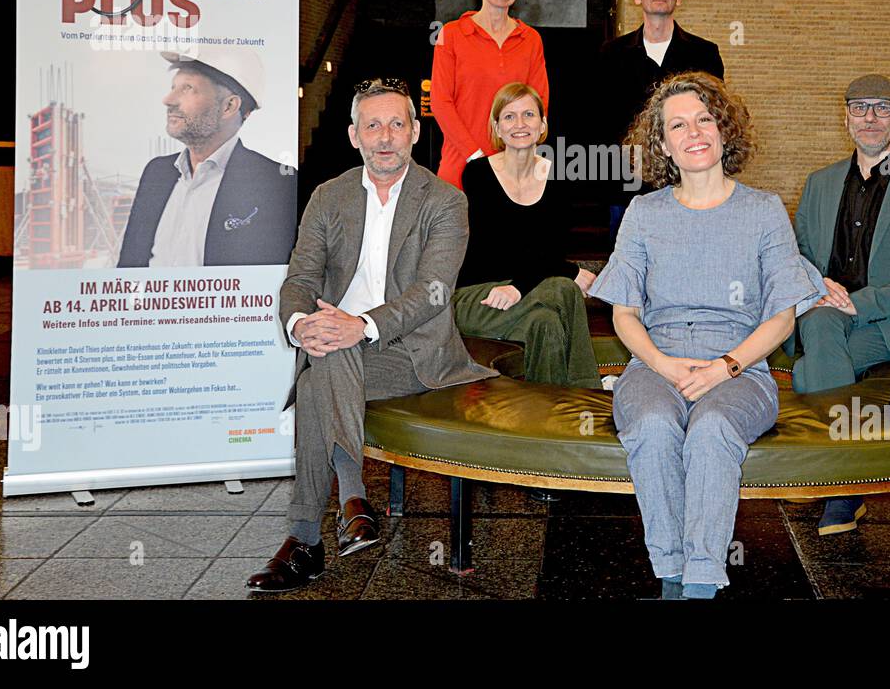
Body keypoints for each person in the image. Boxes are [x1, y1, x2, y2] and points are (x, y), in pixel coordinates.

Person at [247, 78, 496, 593]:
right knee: (326, 363)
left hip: (413, 353)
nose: (385, 137)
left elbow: (433, 293)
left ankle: (310, 538)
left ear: (414, 131)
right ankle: (349, 509)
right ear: (353, 134)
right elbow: (300, 280)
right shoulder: (328, 196)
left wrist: (359, 325)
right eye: (373, 125)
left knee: (332, 353)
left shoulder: (445, 201)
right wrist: (299, 325)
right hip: (344, 347)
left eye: (397, 125)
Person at [592, 71, 824, 599]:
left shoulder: (763, 210)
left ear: (723, 129)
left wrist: (727, 366)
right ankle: (669, 572)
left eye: (703, 119)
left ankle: (699, 581)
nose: (693, 132)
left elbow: (783, 317)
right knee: (652, 424)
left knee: (713, 427)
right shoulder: (644, 213)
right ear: (664, 143)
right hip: (656, 360)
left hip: (742, 365)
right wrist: (665, 365)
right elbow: (625, 315)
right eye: (678, 125)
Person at [789, 74, 890, 535]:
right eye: (859, 108)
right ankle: (848, 481)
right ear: (845, 118)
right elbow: (798, 254)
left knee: (809, 369)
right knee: (820, 323)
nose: (870, 117)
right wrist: (816, 283)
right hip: (827, 313)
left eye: (882, 108)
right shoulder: (819, 183)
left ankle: (839, 483)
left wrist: (858, 303)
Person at [453, 83, 600, 389]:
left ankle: (543, 416)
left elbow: (548, 250)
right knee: (564, 289)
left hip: (526, 296)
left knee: (546, 324)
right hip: (478, 298)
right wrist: (570, 272)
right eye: (509, 117)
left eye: (528, 115)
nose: (519, 124)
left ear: (542, 124)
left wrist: (519, 288)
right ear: (497, 126)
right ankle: (587, 391)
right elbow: (505, 250)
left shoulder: (558, 177)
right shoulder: (477, 174)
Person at [118, 48, 296, 268]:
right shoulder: (157, 173)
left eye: (187, 88)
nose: (168, 100)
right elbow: (128, 267)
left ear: (229, 106)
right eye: (173, 87)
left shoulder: (275, 183)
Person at [599, 0, 724, 237]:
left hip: (687, 182)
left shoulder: (705, 55)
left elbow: (714, 120)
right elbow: (600, 120)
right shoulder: (610, 55)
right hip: (626, 186)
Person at [430, 0, 548, 190]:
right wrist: (475, 155)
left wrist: (511, 155)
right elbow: (440, 102)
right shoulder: (451, 34)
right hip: (461, 167)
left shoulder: (531, 40)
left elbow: (539, 104)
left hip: (513, 171)